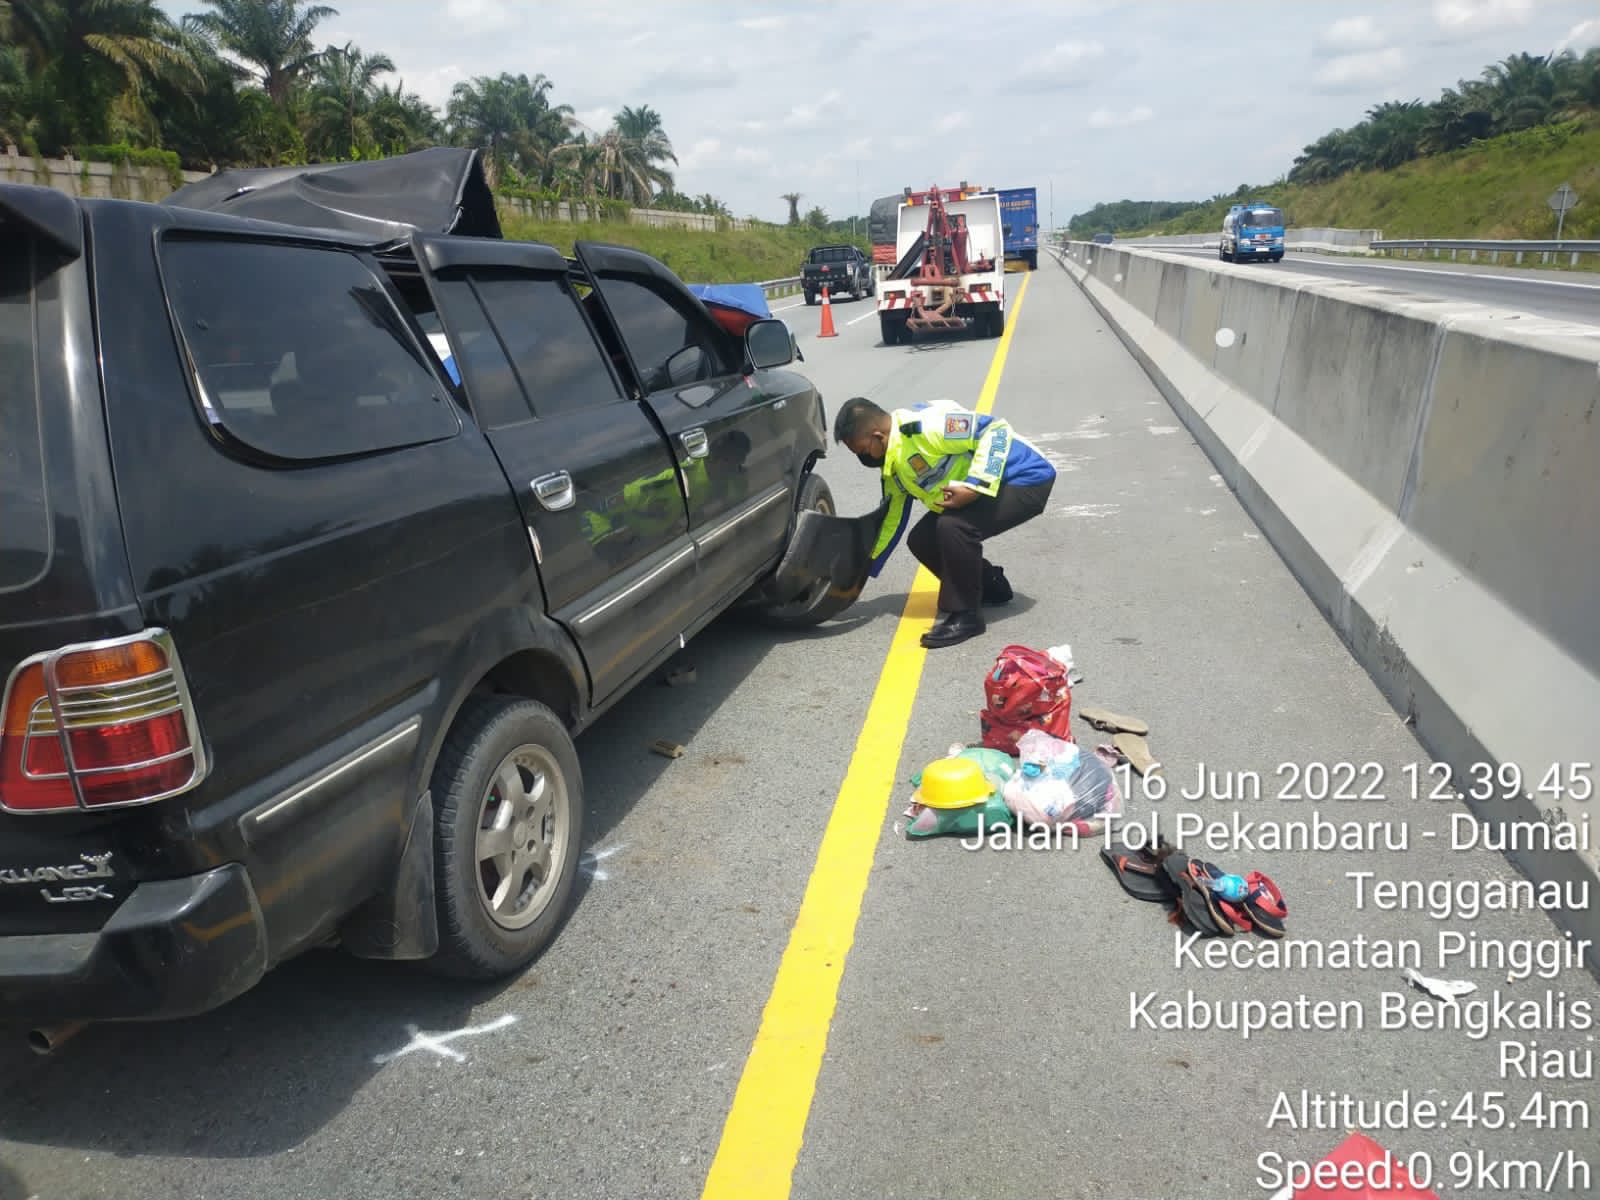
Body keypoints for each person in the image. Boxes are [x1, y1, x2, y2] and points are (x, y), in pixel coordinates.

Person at [834, 396, 1056, 649]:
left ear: (878, 436)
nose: (863, 459)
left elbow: (994, 429)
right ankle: (991, 586)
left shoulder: (925, 428)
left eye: (863, 451)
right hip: (986, 488)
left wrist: (975, 487)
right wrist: (863, 567)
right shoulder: (893, 461)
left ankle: (966, 615)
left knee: (953, 526)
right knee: (922, 539)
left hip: (1025, 476)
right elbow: (891, 520)